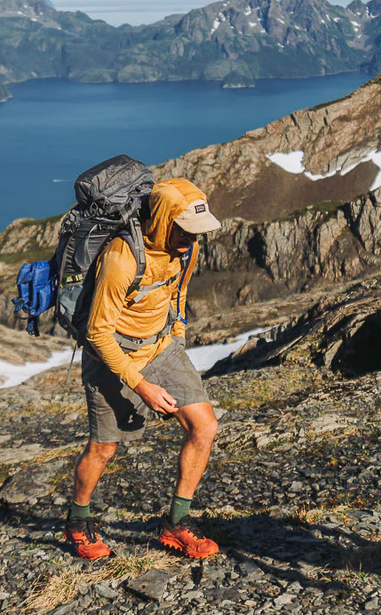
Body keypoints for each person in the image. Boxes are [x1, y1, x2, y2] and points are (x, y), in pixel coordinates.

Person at [64, 178, 222, 559]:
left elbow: (178, 292)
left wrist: (177, 340)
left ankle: (175, 524)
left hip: (161, 346)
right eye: (183, 230)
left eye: (195, 232)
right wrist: (142, 386)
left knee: (205, 426)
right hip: (113, 355)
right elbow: (97, 334)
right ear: (165, 221)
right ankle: (76, 523)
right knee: (104, 448)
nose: (190, 239)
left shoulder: (186, 248)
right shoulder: (122, 258)